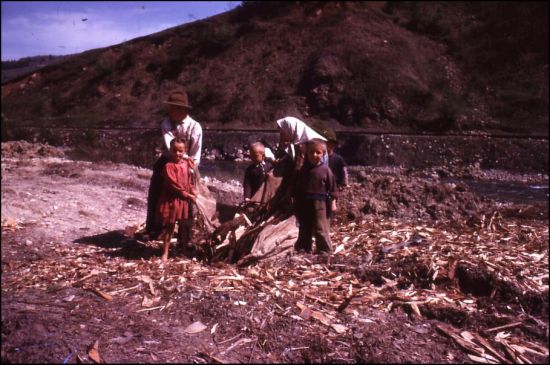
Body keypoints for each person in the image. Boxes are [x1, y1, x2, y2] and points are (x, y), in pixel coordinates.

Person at [145, 90, 202, 239]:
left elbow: (196, 152)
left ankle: (186, 235)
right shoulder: (166, 123)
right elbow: (170, 145)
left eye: (173, 108)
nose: (170, 111)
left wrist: (190, 169)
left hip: (188, 163)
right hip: (168, 158)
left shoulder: (195, 127)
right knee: (156, 194)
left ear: (182, 109)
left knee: (187, 198)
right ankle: (154, 228)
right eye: (170, 107)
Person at [292, 139, 338, 255]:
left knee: (321, 227)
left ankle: (324, 251)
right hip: (304, 202)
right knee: (304, 227)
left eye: (318, 152)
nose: (314, 155)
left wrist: (333, 203)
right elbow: (297, 187)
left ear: (323, 154)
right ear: (306, 153)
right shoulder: (303, 170)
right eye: (311, 152)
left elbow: (332, 189)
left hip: (320, 203)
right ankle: (303, 248)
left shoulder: (325, 170)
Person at [156, 138, 197, 262]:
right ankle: (165, 252)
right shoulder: (168, 166)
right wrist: (188, 195)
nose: (177, 154)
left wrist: (193, 191)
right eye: (174, 151)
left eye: (180, 151)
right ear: (170, 150)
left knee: (184, 227)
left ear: (185, 150)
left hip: (184, 200)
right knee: (170, 227)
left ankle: (184, 250)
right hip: (172, 199)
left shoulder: (186, 164)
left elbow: (190, 181)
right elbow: (174, 186)